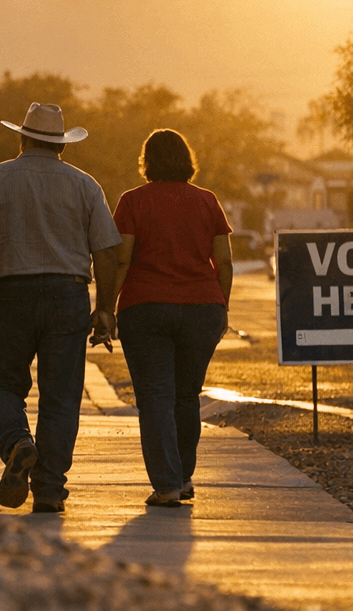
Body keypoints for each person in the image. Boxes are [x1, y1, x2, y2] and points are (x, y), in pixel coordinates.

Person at [0, 102, 122, 514]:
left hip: (12, 294)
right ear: (62, 146)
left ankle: (17, 442)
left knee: (2, 385)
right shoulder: (86, 185)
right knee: (62, 396)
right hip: (69, 296)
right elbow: (106, 253)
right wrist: (105, 310)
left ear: (22, 137)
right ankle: (49, 490)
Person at [102, 128, 233, 507]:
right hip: (202, 308)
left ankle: (167, 484)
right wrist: (221, 305)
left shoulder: (132, 201)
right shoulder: (208, 202)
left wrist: (107, 308)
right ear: (187, 160)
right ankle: (184, 476)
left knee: (156, 396)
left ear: (147, 161)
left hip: (145, 309)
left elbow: (121, 258)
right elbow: (223, 261)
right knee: (186, 395)